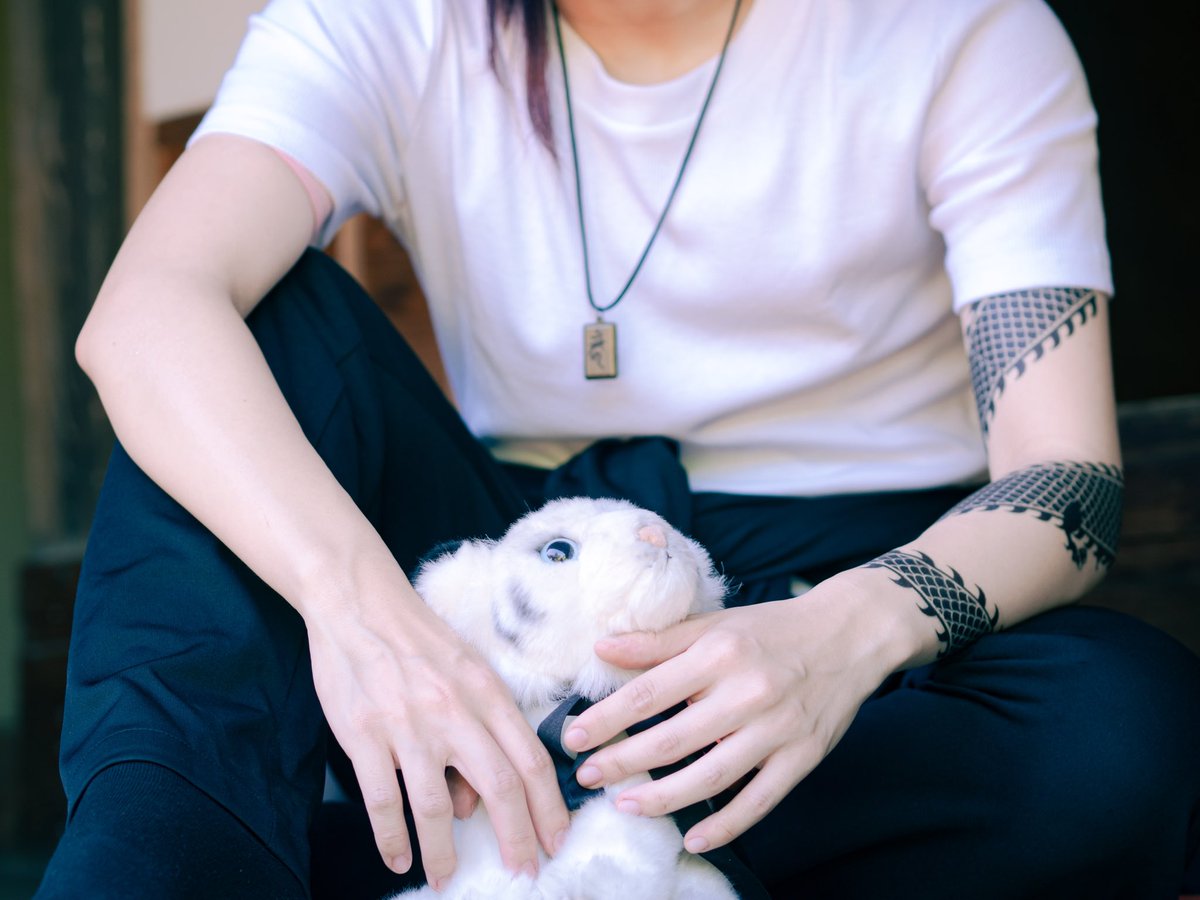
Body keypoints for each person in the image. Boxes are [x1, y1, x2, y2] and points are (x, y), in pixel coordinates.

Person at [35, 0, 1200, 897]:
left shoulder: (961, 29)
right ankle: (173, 869)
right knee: (248, 330)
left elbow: (1067, 483)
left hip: (849, 587)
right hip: (516, 574)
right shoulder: (386, 20)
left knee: (1121, 727)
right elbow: (145, 312)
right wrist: (364, 617)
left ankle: (494, 856)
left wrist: (837, 639)